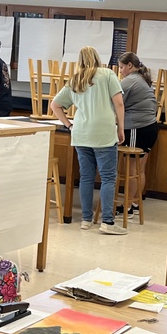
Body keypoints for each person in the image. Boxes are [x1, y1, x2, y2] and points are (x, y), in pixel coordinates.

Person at [50, 47, 127, 235]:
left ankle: (86, 219)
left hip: (81, 134)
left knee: (86, 177)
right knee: (108, 177)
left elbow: (55, 105)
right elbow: (119, 103)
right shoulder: (108, 74)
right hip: (103, 133)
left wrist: (69, 125)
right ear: (97, 58)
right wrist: (121, 128)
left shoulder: (75, 79)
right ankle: (107, 221)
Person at [117, 51, 157, 215]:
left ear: (130, 65)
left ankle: (127, 206)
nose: (120, 71)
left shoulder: (130, 80)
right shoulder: (142, 79)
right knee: (139, 170)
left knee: (131, 170)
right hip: (149, 127)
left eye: (121, 67)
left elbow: (116, 102)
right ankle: (134, 203)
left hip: (137, 128)